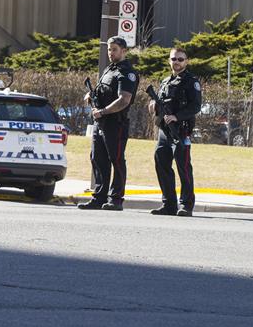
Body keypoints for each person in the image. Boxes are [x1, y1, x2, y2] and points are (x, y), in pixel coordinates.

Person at [78, 36, 138, 211]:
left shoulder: (127, 72)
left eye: (115, 50)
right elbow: (103, 91)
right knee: (98, 158)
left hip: (115, 123)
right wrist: (91, 95)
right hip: (100, 122)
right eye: (109, 49)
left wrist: (103, 111)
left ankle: (116, 199)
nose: (111, 53)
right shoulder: (109, 69)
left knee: (116, 160)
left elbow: (124, 100)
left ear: (124, 51)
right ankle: (99, 197)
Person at [148, 47, 202, 217]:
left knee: (183, 167)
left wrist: (177, 117)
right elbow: (161, 102)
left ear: (186, 61)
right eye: (174, 59)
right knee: (161, 164)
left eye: (180, 59)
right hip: (164, 131)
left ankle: (186, 204)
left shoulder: (191, 81)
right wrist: (153, 106)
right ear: (169, 60)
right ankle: (169, 204)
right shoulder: (165, 81)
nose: (176, 62)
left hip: (181, 130)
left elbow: (195, 106)